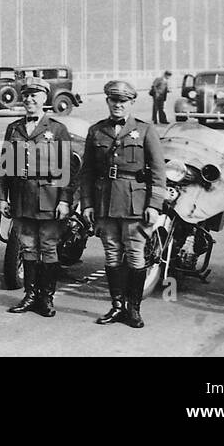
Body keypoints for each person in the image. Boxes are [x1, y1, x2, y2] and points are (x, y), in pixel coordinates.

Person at [79, 79, 166, 329]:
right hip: (105, 202)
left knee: (136, 255)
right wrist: (87, 204)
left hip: (134, 203)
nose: (118, 105)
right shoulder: (96, 131)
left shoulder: (146, 130)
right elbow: (87, 172)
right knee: (112, 254)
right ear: (107, 101)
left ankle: (134, 309)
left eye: (123, 101)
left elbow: (159, 171)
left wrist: (154, 205)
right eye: (114, 100)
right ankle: (117, 306)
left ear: (132, 103)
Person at [0, 76, 74, 318]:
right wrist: (2, 198)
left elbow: (67, 170)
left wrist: (64, 200)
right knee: (28, 247)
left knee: (48, 248)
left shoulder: (57, 129)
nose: (30, 99)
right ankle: (30, 296)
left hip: (49, 196)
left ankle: (46, 298)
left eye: (35, 95)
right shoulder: (14, 128)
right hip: (21, 196)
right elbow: (6, 166)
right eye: (27, 95)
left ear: (44, 99)